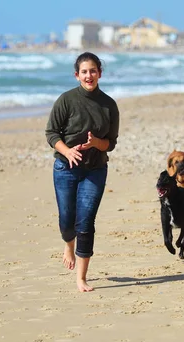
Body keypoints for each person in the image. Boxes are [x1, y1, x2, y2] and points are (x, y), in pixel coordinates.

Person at [45, 52, 119, 292]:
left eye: (93, 71)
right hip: (65, 167)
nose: (89, 75)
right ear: (77, 75)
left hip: (94, 170)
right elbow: (52, 133)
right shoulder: (66, 101)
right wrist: (67, 152)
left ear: (100, 73)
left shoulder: (109, 105)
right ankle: (68, 244)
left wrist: (96, 143)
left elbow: (111, 143)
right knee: (67, 221)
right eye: (84, 72)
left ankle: (81, 278)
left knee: (85, 222)